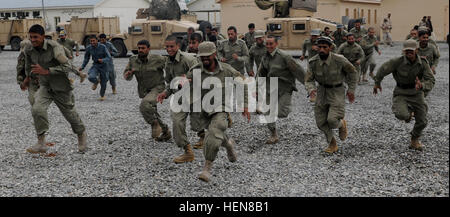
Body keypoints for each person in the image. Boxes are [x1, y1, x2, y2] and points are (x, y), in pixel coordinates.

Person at [183, 41, 251, 182]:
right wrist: (167, 92)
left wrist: (244, 105)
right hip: (203, 110)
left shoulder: (227, 70)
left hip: (221, 108)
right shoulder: (195, 70)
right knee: (217, 133)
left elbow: (242, 83)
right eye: (202, 56)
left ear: (215, 54)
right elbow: (181, 83)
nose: (205, 58)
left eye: (208, 56)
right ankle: (229, 145)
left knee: (213, 135)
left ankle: (207, 169)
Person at [24, 24, 87, 154]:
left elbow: (68, 66)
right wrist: (27, 79)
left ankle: (81, 134)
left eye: (36, 37)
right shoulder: (29, 49)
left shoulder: (54, 47)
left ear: (43, 36)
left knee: (70, 114)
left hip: (61, 87)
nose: (33, 40)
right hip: (45, 86)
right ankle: (41, 142)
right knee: (37, 109)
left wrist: (47, 71)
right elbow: (29, 66)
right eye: (31, 37)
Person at [373, 40, 435, 151]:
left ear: (416, 50)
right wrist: (377, 83)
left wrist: (422, 85)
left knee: (422, 121)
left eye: (411, 50)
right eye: (407, 50)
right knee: (401, 115)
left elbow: (431, 80)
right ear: (404, 51)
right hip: (401, 92)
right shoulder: (397, 61)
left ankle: (414, 139)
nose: (409, 52)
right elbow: (383, 69)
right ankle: (408, 113)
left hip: (416, 93)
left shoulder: (423, 63)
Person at [305, 36, 358, 154]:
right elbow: (308, 79)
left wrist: (351, 90)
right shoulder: (313, 62)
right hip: (322, 92)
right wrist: (311, 89)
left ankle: (341, 124)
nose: (322, 50)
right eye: (320, 47)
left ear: (330, 48)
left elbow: (352, 72)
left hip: (337, 91)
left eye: (325, 47)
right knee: (320, 122)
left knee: (332, 120)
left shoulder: (340, 60)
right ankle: (332, 143)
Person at [156, 35, 199, 163]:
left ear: (178, 46)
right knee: (177, 123)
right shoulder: (168, 62)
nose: (169, 49)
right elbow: (170, 82)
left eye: (172, 46)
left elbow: (202, 73)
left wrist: (190, 79)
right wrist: (165, 93)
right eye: (167, 47)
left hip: (197, 96)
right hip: (181, 98)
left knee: (202, 124)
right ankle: (188, 152)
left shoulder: (188, 59)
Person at [257, 35, 306, 144]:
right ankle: (274, 135)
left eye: (271, 44)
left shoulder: (284, 56)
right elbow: (261, 74)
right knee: (267, 112)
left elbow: (298, 70)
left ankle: (285, 107)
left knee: (282, 113)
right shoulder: (265, 57)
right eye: (267, 44)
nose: (269, 46)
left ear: (276, 44)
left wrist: (308, 86)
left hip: (285, 87)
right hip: (271, 88)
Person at [123, 40, 172, 141]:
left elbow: (171, 65)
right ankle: (166, 131)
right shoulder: (133, 60)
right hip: (144, 90)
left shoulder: (158, 59)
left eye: (143, 48)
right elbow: (127, 76)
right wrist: (128, 74)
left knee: (144, 104)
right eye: (139, 48)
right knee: (152, 110)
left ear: (148, 49)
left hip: (158, 88)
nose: (140, 50)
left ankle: (154, 123)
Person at [79, 35, 111, 101]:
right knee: (91, 77)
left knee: (104, 82)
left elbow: (109, 57)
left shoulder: (103, 47)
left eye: (93, 41)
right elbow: (86, 59)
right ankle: (96, 82)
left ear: (97, 40)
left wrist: (103, 60)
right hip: (95, 65)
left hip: (104, 66)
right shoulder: (89, 48)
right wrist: (82, 66)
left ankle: (102, 95)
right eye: (91, 41)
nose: (92, 42)